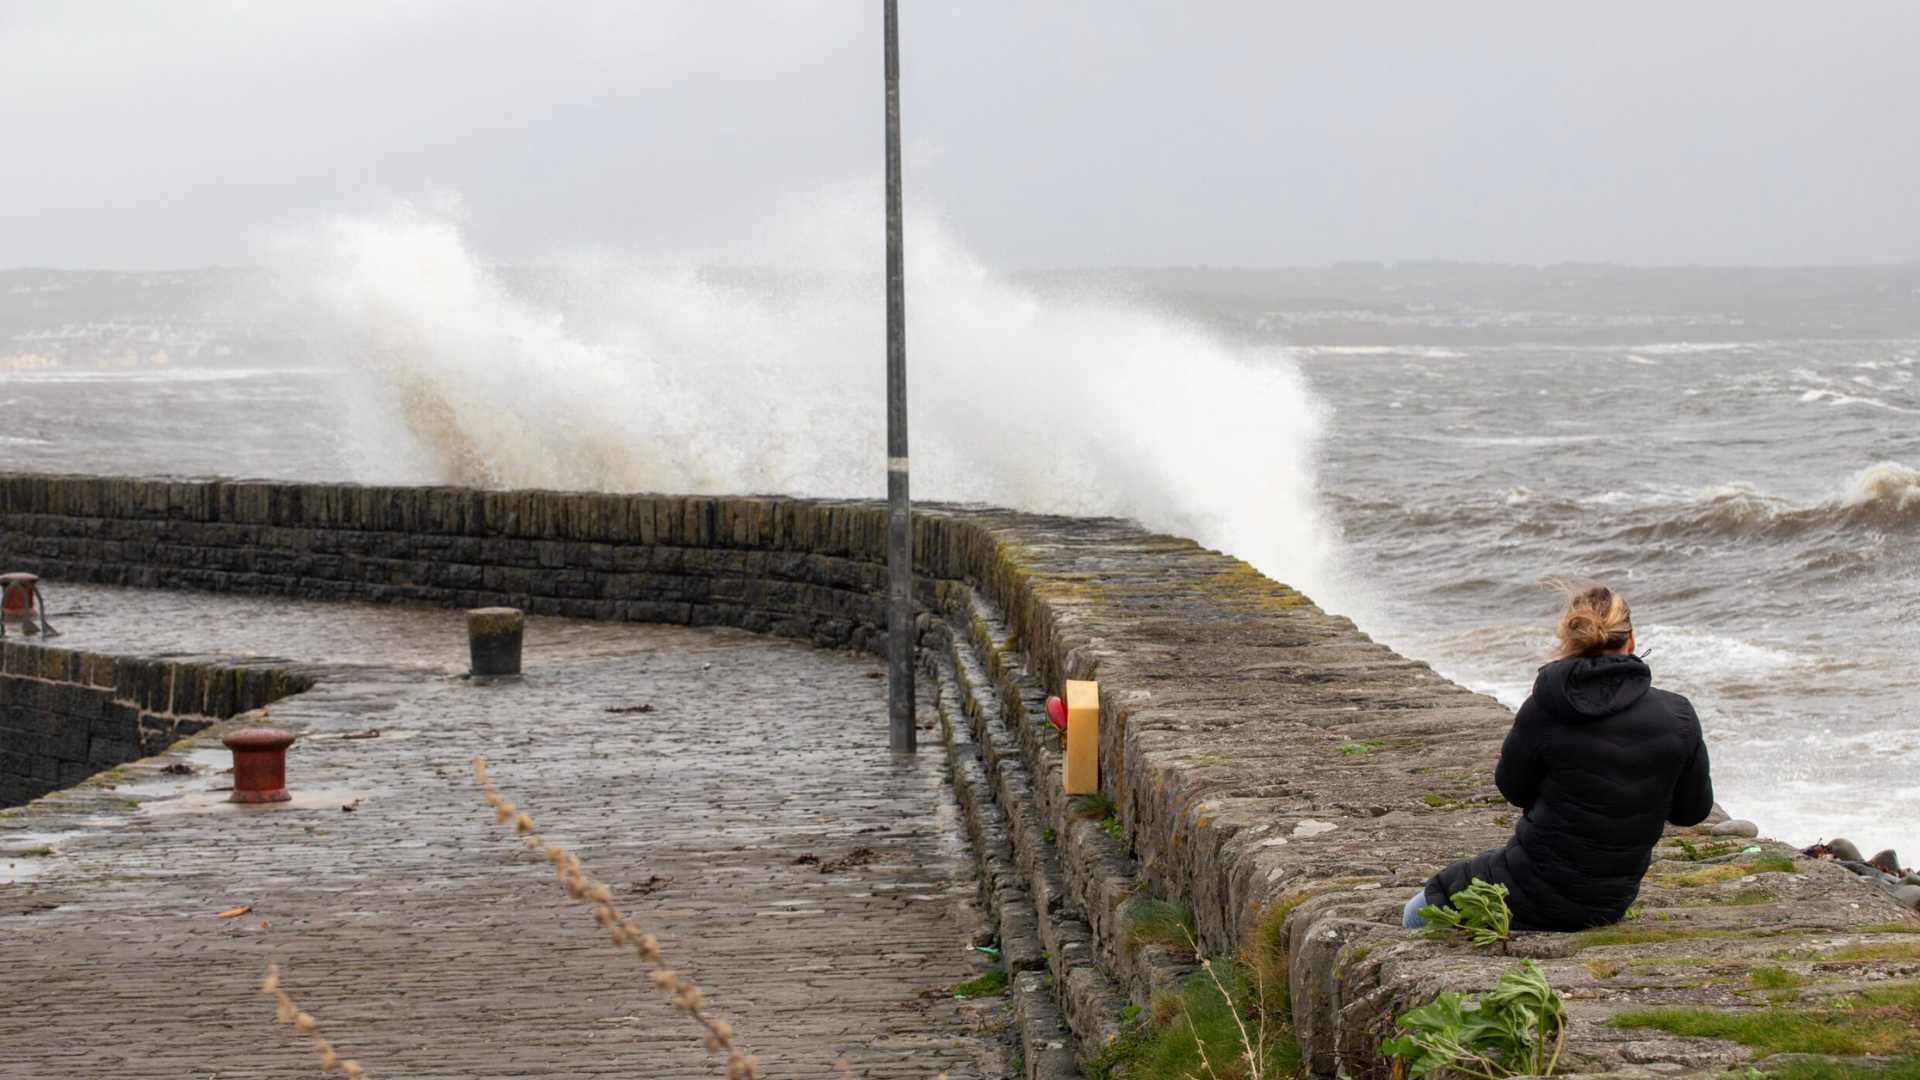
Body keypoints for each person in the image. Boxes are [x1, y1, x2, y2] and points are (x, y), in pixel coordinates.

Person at [1403, 583, 1715, 932]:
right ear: (1631, 641)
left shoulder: (1546, 706)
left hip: (1532, 888)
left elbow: (1513, 789)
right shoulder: (1678, 715)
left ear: (1569, 640)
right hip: (1609, 900)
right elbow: (1692, 811)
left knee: (1416, 912)